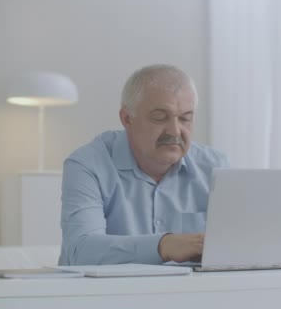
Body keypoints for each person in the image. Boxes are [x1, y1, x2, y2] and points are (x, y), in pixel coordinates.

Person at [59, 64, 228, 266]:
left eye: (185, 119)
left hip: (188, 294)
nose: (175, 131)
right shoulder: (88, 165)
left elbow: (235, 246)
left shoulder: (214, 167)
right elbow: (80, 251)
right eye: (160, 117)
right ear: (127, 119)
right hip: (108, 295)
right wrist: (163, 246)